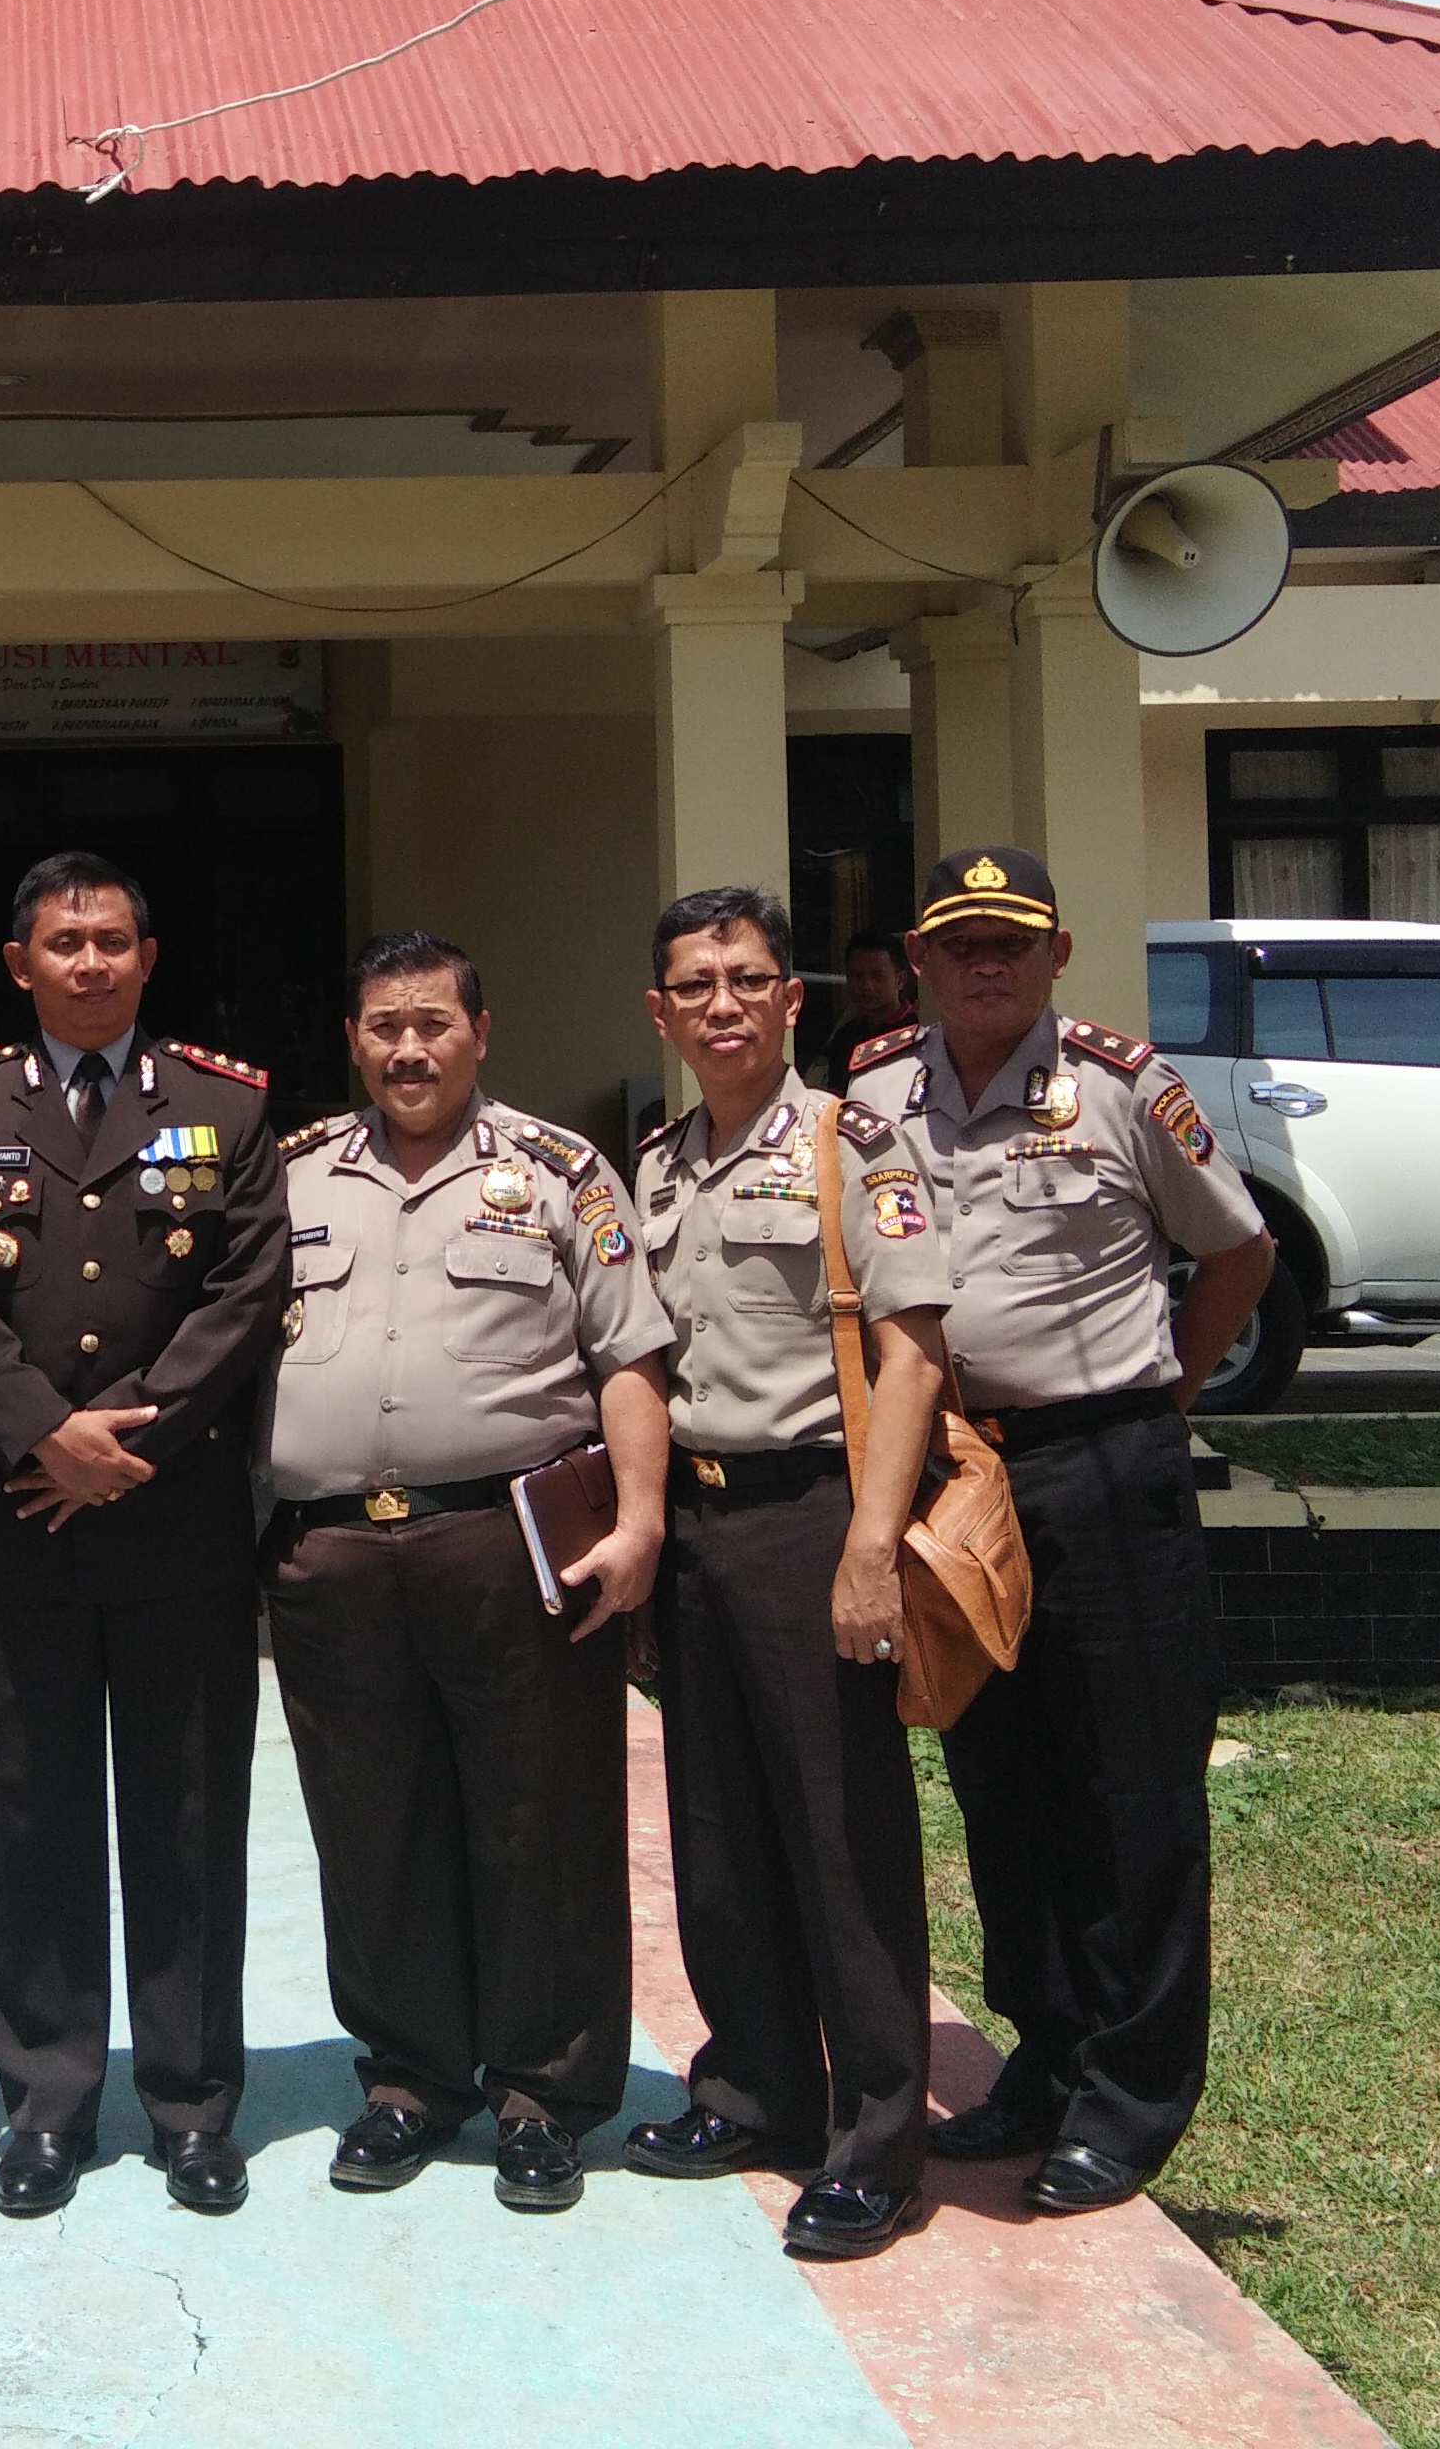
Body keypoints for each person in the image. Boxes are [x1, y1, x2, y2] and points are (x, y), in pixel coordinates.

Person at [845, 847, 1276, 2217]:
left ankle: (1129, 2102)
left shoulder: (1123, 1087)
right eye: (961, 941)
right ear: (919, 955)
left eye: (1012, 942)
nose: (988, 963)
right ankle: (1043, 2055)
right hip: (960, 1481)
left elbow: (1238, 1254)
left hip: (1104, 1469)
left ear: (1057, 953)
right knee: (1002, 1784)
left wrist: (1156, 1399)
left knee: (1131, 1792)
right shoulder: (869, 1098)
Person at [0, 851, 287, 2222]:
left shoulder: (229, 1105)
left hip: (175, 1524)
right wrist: (39, 1434)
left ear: (148, 953)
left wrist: (127, 1441)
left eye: (113, 940)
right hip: (18, 1526)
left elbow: (246, 1292)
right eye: (63, 943)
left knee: (188, 1824)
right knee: (31, 1824)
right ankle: (48, 2104)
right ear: (20, 963)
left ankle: (192, 2104)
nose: (89, 963)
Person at [260, 930, 673, 2213]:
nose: (407, 1047)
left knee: (532, 1816)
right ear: (353, 1040)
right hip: (329, 1548)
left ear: (479, 1034)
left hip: (507, 1540)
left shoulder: (560, 1173)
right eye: (383, 1025)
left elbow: (627, 1356)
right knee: (367, 1820)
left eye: (432, 1022)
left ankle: (544, 2094)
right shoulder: (286, 1178)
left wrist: (644, 1514)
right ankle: (407, 2079)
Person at [621, 884, 955, 2262]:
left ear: (791, 998)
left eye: (746, 979)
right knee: (718, 1824)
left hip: (814, 1513)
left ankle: (875, 2138)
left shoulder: (851, 1144)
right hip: (695, 1525)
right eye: (695, 984)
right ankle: (755, 2085)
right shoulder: (650, 1163)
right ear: (661, 1010)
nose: (722, 1004)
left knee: (840, 1834)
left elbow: (916, 1350)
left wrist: (872, 1547)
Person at [804, 926, 916, 1086]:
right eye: (857, 976)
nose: (867, 986)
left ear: (900, 980)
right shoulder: (845, 1037)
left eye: (877, 976)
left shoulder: (917, 1031)